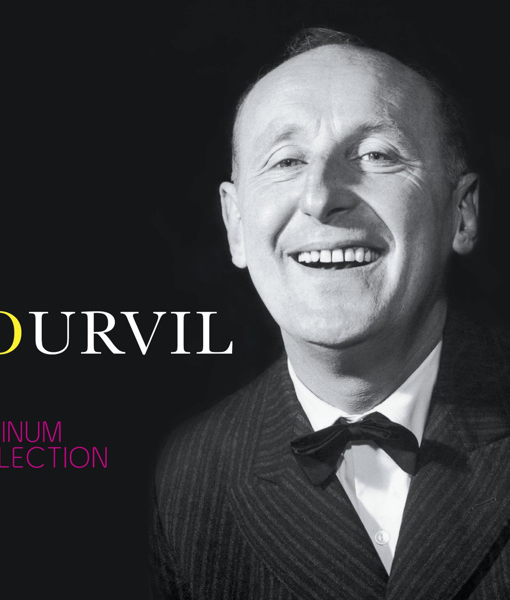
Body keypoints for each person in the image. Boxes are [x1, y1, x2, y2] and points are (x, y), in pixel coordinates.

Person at [150, 28, 509, 599]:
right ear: (235, 226)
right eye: (287, 160)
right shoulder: (187, 480)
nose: (321, 196)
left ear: (461, 214)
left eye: (375, 155)